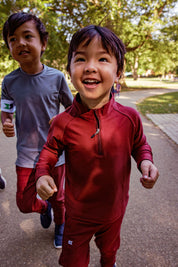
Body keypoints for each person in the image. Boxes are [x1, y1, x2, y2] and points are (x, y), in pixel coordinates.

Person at [35, 25, 159, 267]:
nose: (90, 66)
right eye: (80, 58)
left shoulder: (129, 117)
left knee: (109, 254)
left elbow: (140, 144)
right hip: (78, 215)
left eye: (103, 58)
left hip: (114, 212)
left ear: (119, 72)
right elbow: (48, 153)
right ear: (69, 69)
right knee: (73, 262)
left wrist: (146, 161)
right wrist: (41, 175)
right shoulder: (63, 122)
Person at [1, 12, 73, 248]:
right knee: (23, 202)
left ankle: (61, 225)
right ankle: (45, 208)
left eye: (27, 36)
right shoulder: (9, 82)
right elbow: (6, 110)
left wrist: (67, 125)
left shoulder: (57, 77)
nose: (20, 42)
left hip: (55, 154)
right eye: (13, 39)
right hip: (26, 154)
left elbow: (73, 110)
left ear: (43, 43)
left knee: (59, 197)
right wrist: (6, 122)